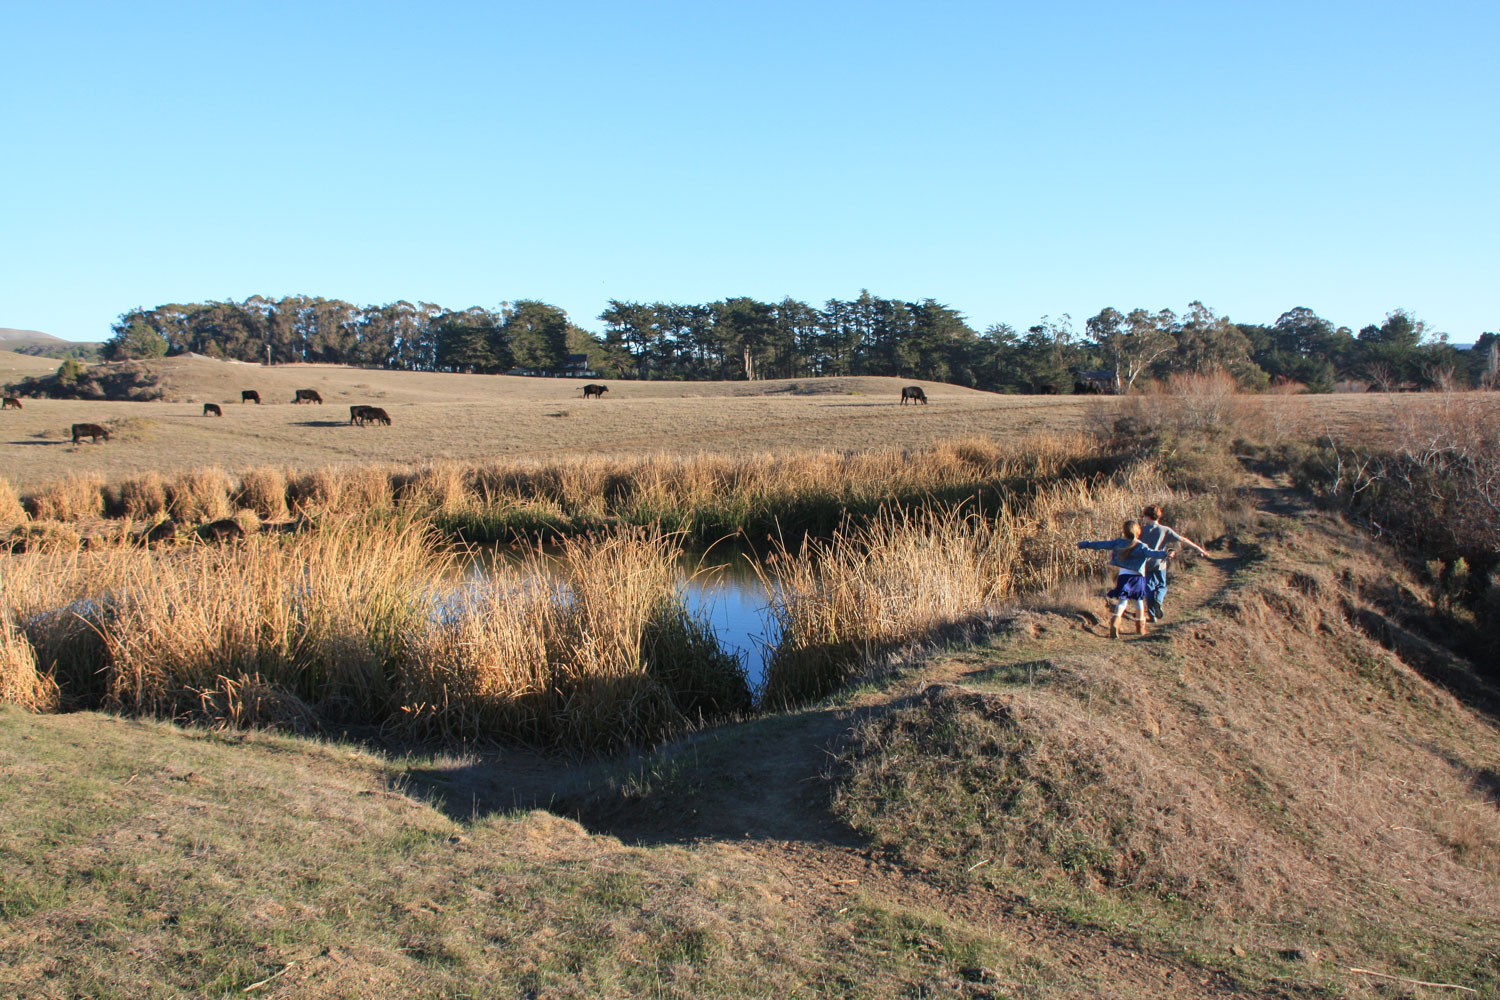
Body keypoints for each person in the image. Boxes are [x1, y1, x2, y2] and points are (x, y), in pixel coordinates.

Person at [1077, 519, 1174, 638]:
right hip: (1137, 577)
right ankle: (1140, 628)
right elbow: (1152, 553)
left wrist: (1084, 544)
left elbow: (1101, 544)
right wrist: (1166, 553)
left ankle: (1115, 622)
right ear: (1138, 532)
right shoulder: (1141, 546)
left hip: (1123, 576)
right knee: (1138, 602)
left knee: (1123, 601)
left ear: (1124, 532)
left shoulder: (1118, 543)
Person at [1138, 504, 1209, 622]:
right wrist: (1198, 548)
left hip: (1146, 563)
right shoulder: (1165, 530)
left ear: (1147, 516)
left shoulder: (1141, 530)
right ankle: (1159, 601)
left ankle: (1152, 616)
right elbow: (1182, 539)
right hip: (1160, 563)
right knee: (1161, 585)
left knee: (1149, 589)